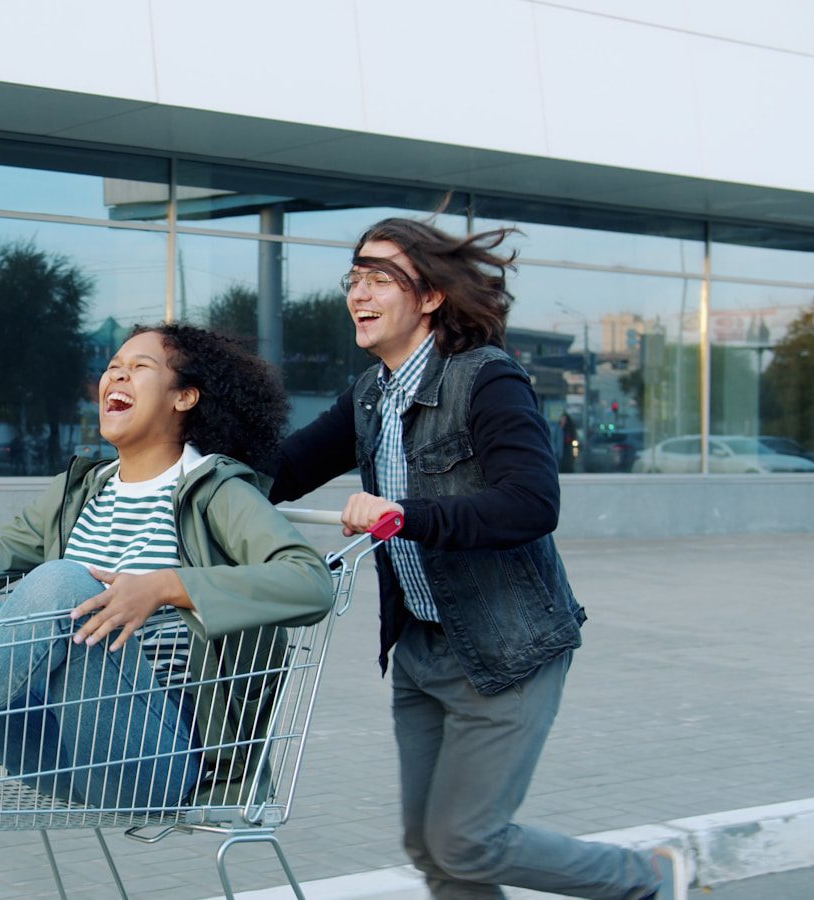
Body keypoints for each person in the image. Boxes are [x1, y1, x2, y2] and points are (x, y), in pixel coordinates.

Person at [268, 217, 686, 900]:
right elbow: (283, 470)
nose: (358, 293)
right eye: (355, 277)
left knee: (468, 840)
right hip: (421, 651)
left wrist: (406, 516)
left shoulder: (486, 379)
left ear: (431, 296)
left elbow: (531, 503)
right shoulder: (371, 393)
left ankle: (647, 878)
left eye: (380, 278)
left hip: (506, 648)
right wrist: (180, 470)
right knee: (432, 847)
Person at [0, 323, 334, 814]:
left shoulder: (217, 492)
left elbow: (309, 580)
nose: (116, 376)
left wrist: (167, 587)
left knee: (65, 582)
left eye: (140, 367)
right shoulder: (80, 492)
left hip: (154, 757)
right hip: (52, 745)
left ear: (184, 397)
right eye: (112, 367)